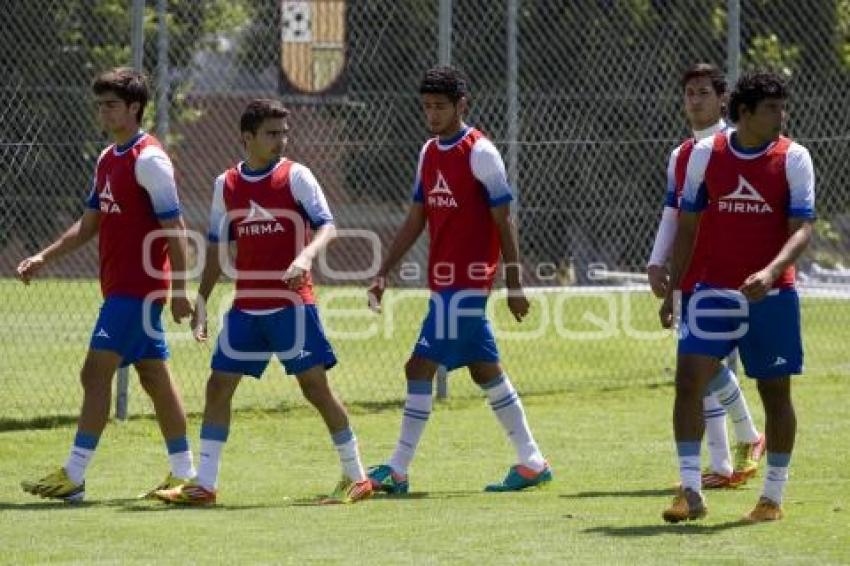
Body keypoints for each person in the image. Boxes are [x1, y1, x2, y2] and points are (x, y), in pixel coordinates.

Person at [155, 99, 371, 505]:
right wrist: (201, 300)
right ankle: (205, 485)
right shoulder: (227, 184)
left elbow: (328, 226)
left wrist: (305, 256)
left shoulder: (297, 176)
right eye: (272, 134)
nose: (281, 141)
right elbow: (218, 249)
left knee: (315, 389)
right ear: (248, 137)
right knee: (218, 386)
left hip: (292, 305)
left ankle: (356, 476)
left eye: (284, 133)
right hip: (246, 308)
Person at [365, 66, 551, 494]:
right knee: (486, 371)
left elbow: (505, 221)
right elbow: (417, 217)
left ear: (462, 106)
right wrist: (383, 270)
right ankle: (532, 461)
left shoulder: (481, 152)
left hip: (468, 284)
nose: (432, 114)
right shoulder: (429, 151)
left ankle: (397, 469)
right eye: (426, 106)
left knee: (418, 366)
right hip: (444, 282)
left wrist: (514, 284)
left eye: (440, 107)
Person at [18, 68, 195, 501]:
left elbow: (175, 228)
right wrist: (45, 256)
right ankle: (186, 473)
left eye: (111, 104)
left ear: (135, 108)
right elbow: (89, 225)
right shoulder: (107, 157)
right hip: (121, 287)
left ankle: (74, 476)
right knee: (154, 377)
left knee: (93, 372)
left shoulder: (149, 159)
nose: (103, 111)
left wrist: (179, 290)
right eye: (99, 104)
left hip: (138, 289)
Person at [659, 72, 816, 523]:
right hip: (711, 292)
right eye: (772, 109)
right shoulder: (706, 156)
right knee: (689, 378)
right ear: (744, 113)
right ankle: (690, 491)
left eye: (783, 108)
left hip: (773, 295)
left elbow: (803, 227)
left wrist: (770, 272)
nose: (781, 117)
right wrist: (674, 290)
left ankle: (771, 498)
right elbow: (688, 227)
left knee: (774, 391)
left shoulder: (794, 157)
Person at [647, 63, 765, 489]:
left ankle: (731, 456)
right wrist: (656, 261)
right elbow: (673, 214)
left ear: (722, 100)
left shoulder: (737, 146)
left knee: (704, 365)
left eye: (702, 93)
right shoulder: (680, 155)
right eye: (688, 93)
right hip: (689, 266)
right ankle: (741, 446)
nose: (693, 100)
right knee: (702, 366)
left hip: (726, 272)